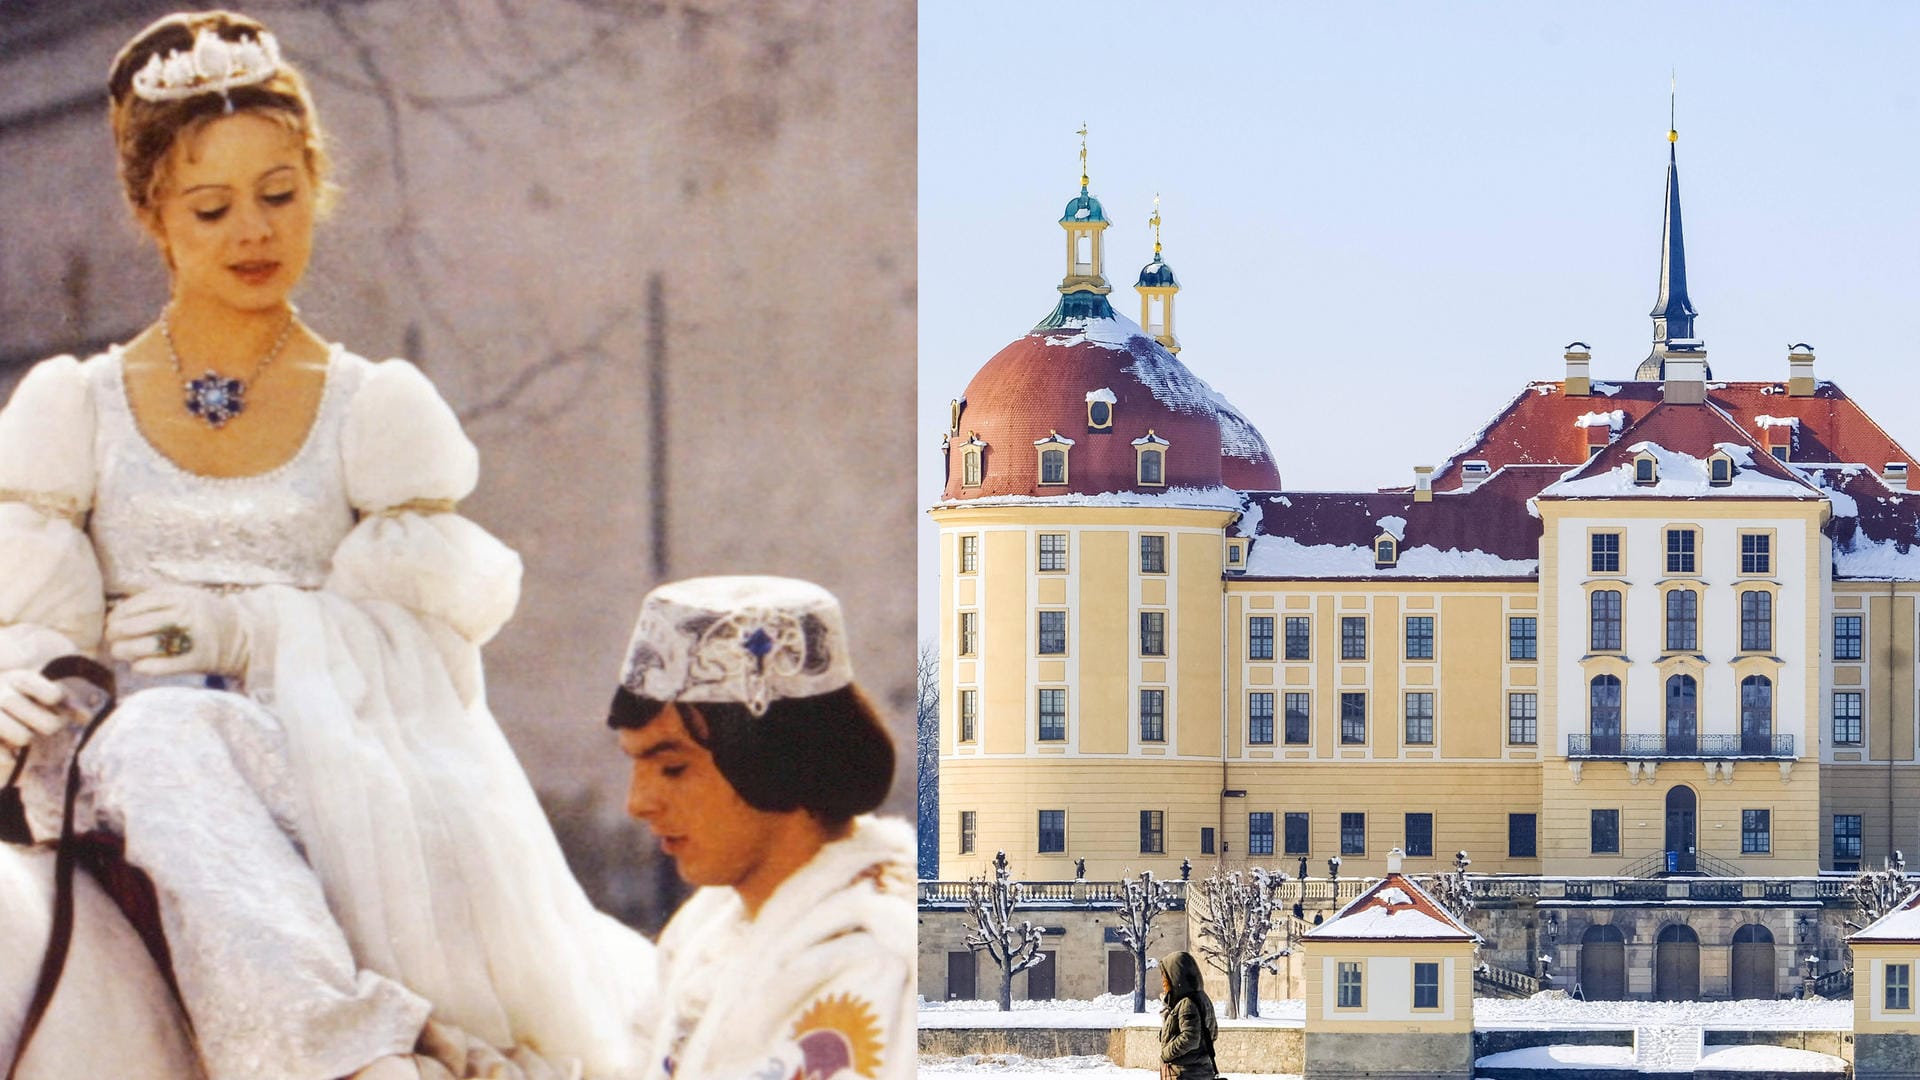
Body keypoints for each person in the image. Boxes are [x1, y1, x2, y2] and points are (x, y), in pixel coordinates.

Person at [0, 11, 652, 1079]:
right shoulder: (75, 409)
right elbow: (40, 628)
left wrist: (249, 631)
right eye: (212, 207)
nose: (254, 232)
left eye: (280, 194)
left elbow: (435, 656)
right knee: (157, 738)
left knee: (171, 736)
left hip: (340, 772)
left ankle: (341, 1060)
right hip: (136, 780)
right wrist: (12, 669)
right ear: (151, 213)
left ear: (317, 187)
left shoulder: (374, 413)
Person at [607, 576, 915, 1080]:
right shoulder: (704, 929)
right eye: (634, 767)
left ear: (772, 762)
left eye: (673, 768)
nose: (637, 804)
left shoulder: (878, 960)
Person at [1158, 951, 1220, 1080]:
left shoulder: (1187, 1003)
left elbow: (1190, 1038)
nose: (1163, 982)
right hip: (1199, 1071)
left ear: (1175, 977)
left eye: (1165, 977)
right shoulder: (1202, 998)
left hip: (1186, 1073)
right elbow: (1213, 1033)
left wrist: (1165, 1055)